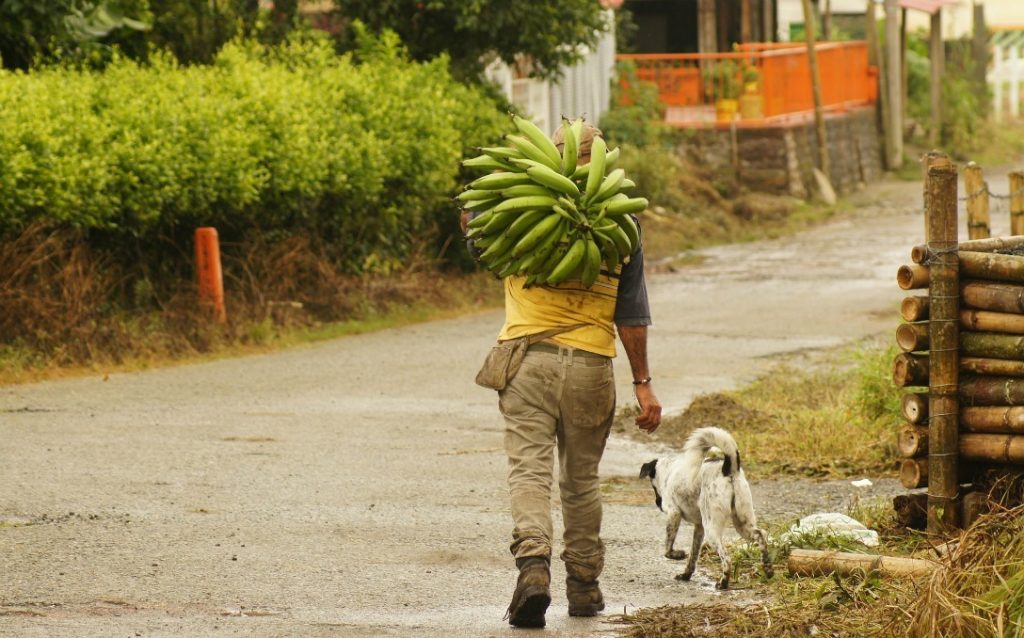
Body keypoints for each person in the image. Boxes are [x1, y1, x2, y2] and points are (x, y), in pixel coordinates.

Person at [462, 123, 662, 629]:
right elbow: (632, 314)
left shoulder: (518, 211)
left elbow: (475, 238)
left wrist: (474, 206)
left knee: (529, 470)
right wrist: (643, 382)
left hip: (527, 361)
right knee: (580, 481)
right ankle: (584, 586)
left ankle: (533, 568)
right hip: (592, 366)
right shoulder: (623, 226)